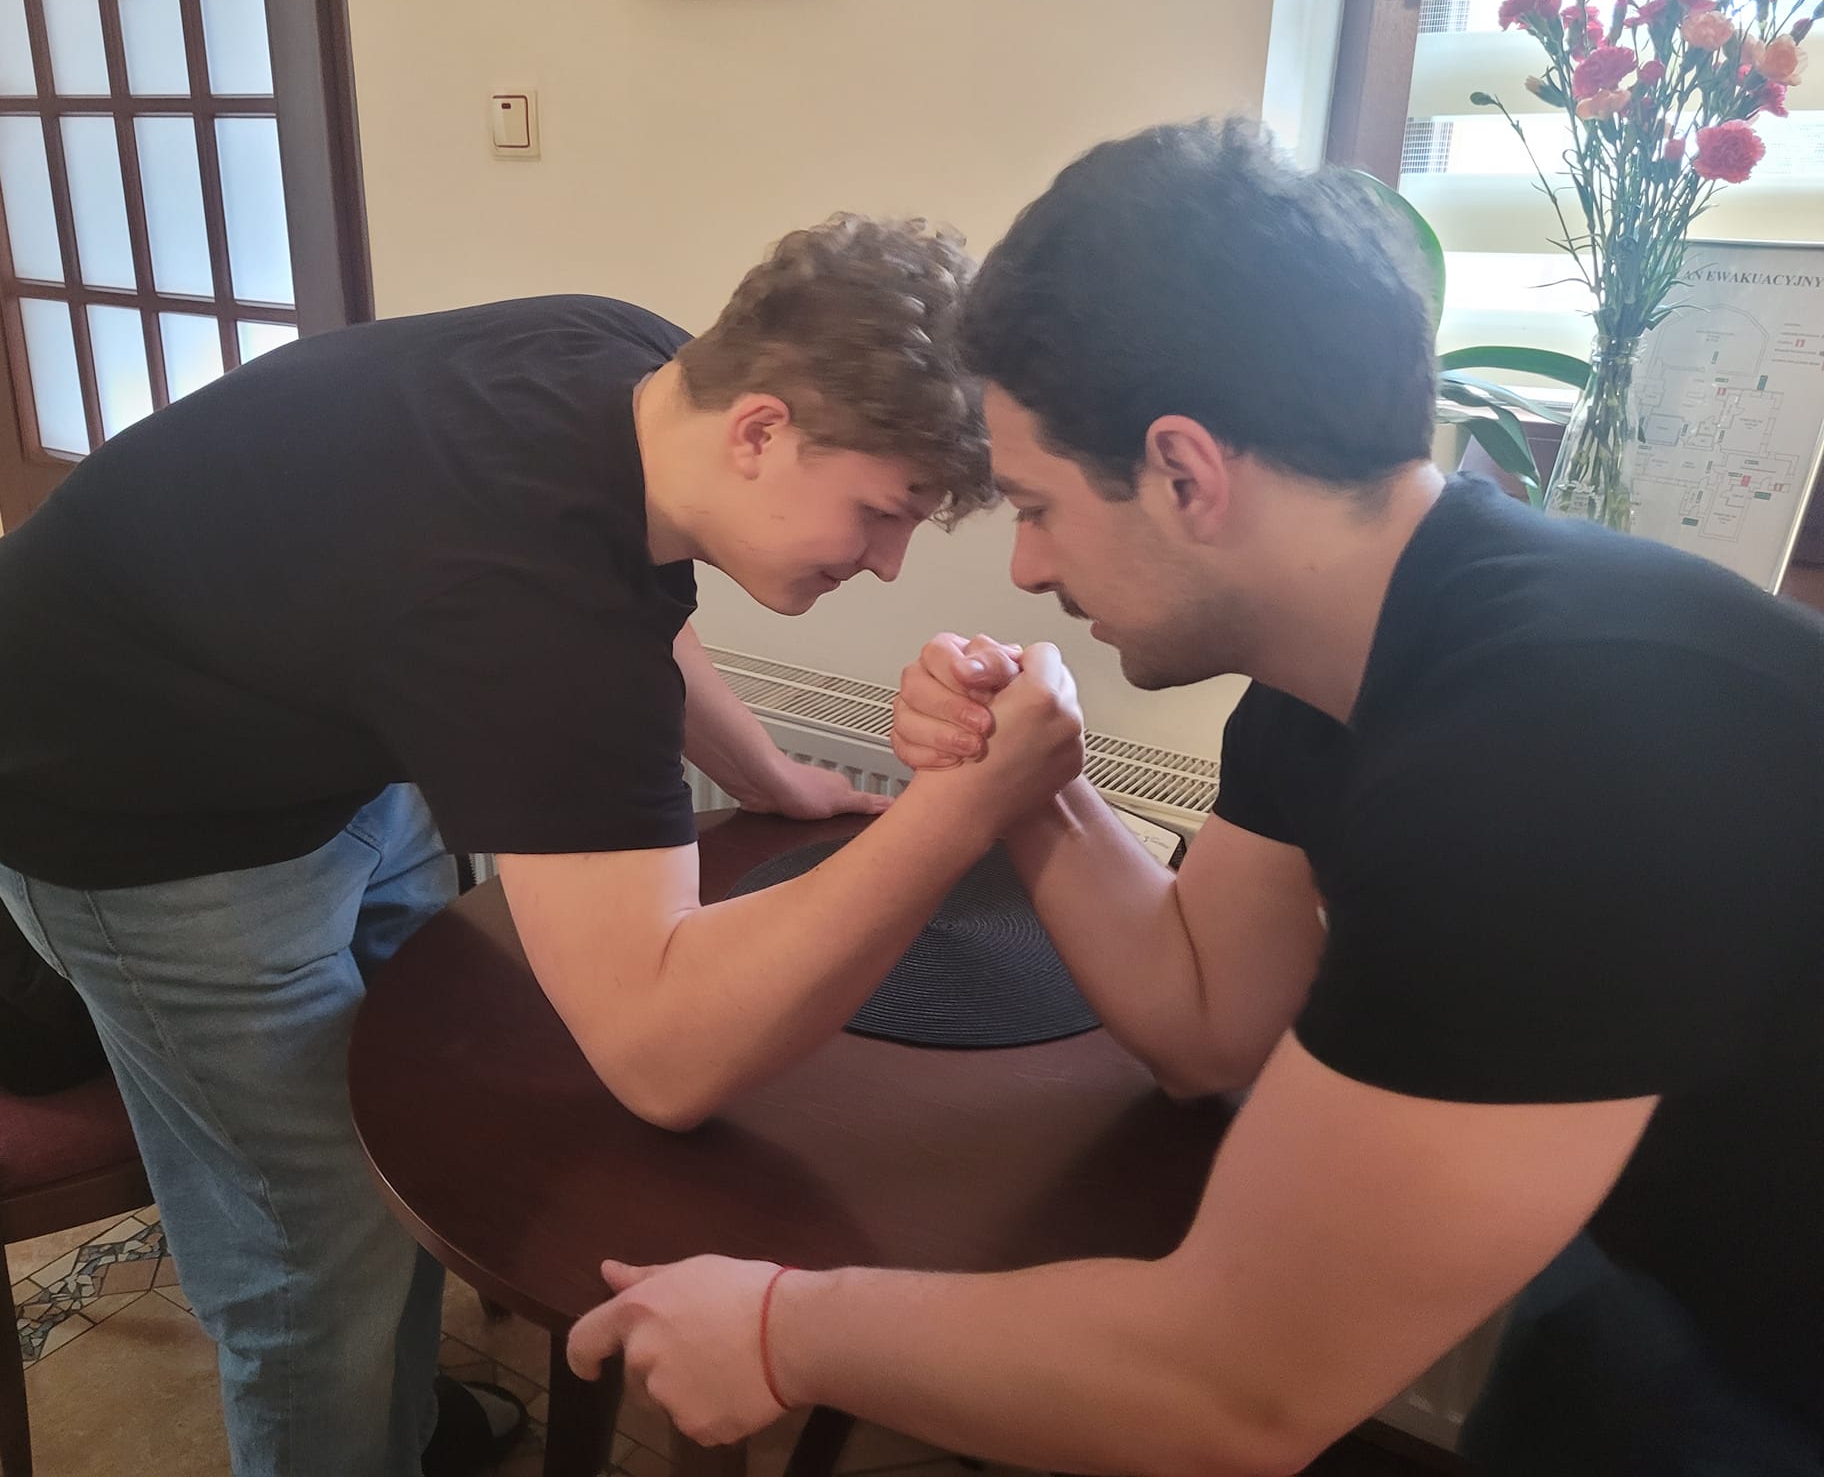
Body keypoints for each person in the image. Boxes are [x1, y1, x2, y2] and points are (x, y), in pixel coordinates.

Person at [567, 120, 1824, 1475]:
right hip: (1667, 1259)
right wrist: (1029, 785)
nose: (1028, 569)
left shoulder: (1544, 752)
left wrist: (779, 1328)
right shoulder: (1343, 654)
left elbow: (1231, 1392)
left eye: (1035, 506)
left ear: (1185, 475)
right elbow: (1208, 1024)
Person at [0, 214, 1084, 1477]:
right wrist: (958, 810)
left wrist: (767, 772)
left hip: (302, 716)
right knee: (314, 1242)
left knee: (411, 1112)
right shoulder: (520, 612)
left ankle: (395, 1425)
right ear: (759, 432)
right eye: (880, 512)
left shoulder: (643, 374)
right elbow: (661, 1057)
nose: (890, 564)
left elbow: (635, 596)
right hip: (110, 785)